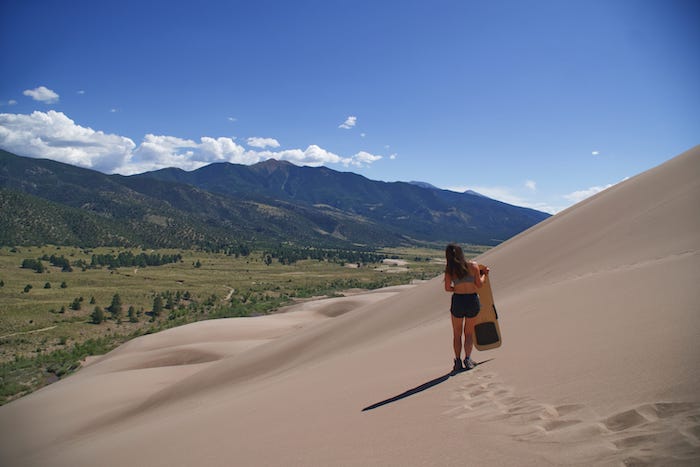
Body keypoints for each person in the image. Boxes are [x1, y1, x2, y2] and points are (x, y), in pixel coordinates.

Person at [444, 243, 489, 372]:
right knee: (468, 333)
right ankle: (468, 359)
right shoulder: (473, 265)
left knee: (456, 334)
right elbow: (479, 285)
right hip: (472, 300)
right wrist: (484, 274)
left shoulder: (450, 270)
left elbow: (447, 288)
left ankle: (457, 361)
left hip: (458, 300)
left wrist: (456, 288)